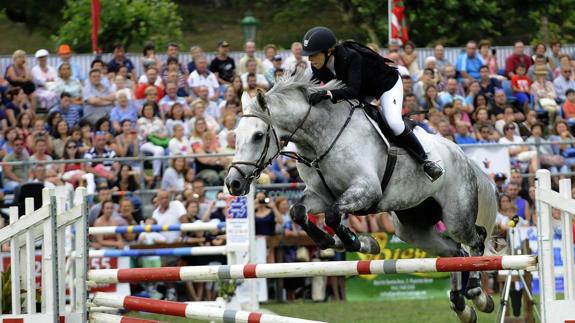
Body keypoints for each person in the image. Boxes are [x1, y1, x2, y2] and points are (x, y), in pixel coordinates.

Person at [301, 26, 443, 181]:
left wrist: (327, 93)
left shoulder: (351, 57)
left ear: (328, 51)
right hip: (363, 91)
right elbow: (312, 90)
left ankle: (425, 161)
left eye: (313, 55)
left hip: (386, 86)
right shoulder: (317, 67)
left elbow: (352, 91)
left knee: (394, 123)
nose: (310, 59)